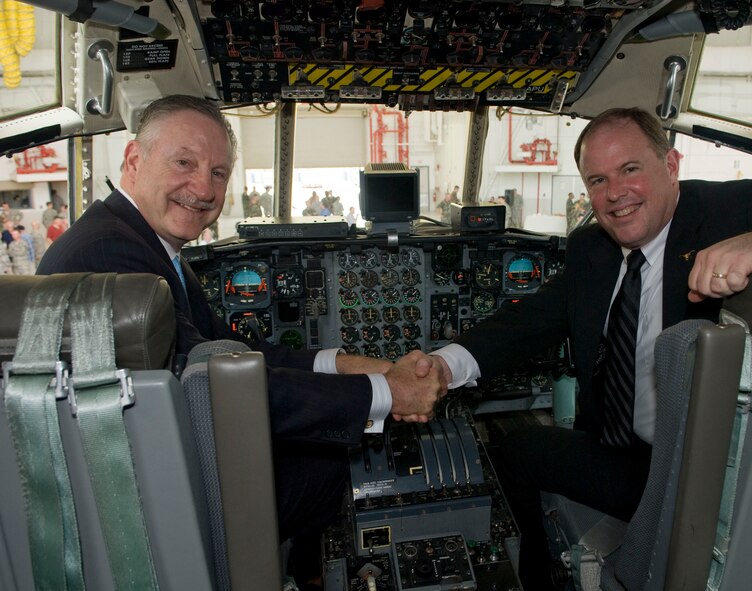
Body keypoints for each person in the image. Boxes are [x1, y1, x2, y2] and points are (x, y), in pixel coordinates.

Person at [427, 107, 752, 590]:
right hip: (622, 454)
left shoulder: (738, 211)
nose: (615, 194)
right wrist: (442, 366)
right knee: (514, 449)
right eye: (597, 180)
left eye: (630, 169)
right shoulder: (592, 248)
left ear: (671, 165)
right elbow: (527, 322)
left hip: (702, 478)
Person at [37, 94, 447, 588]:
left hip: (156, 467)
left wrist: (347, 364)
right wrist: (389, 394)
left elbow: (233, 351)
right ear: (133, 160)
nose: (203, 188)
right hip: (141, 506)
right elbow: (217, 388)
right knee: (330, 465)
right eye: (184, 162)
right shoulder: (109, 253)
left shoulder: (146, 245)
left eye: (218, 172)